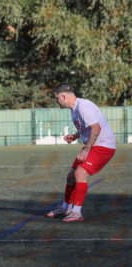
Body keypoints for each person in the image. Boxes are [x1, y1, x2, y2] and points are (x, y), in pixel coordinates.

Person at [47, 83, 116, 222]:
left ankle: (77, 212)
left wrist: (86, 149)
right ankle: (66, 208)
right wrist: (75, 136)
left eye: (57, 98)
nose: (56, 101)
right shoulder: (74, 109)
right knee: (71, 177)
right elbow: (87, 128)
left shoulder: (84, 106)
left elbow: (96, 129)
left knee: (80, 173)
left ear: (64, 96)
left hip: (103, 146)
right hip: (93, 146)